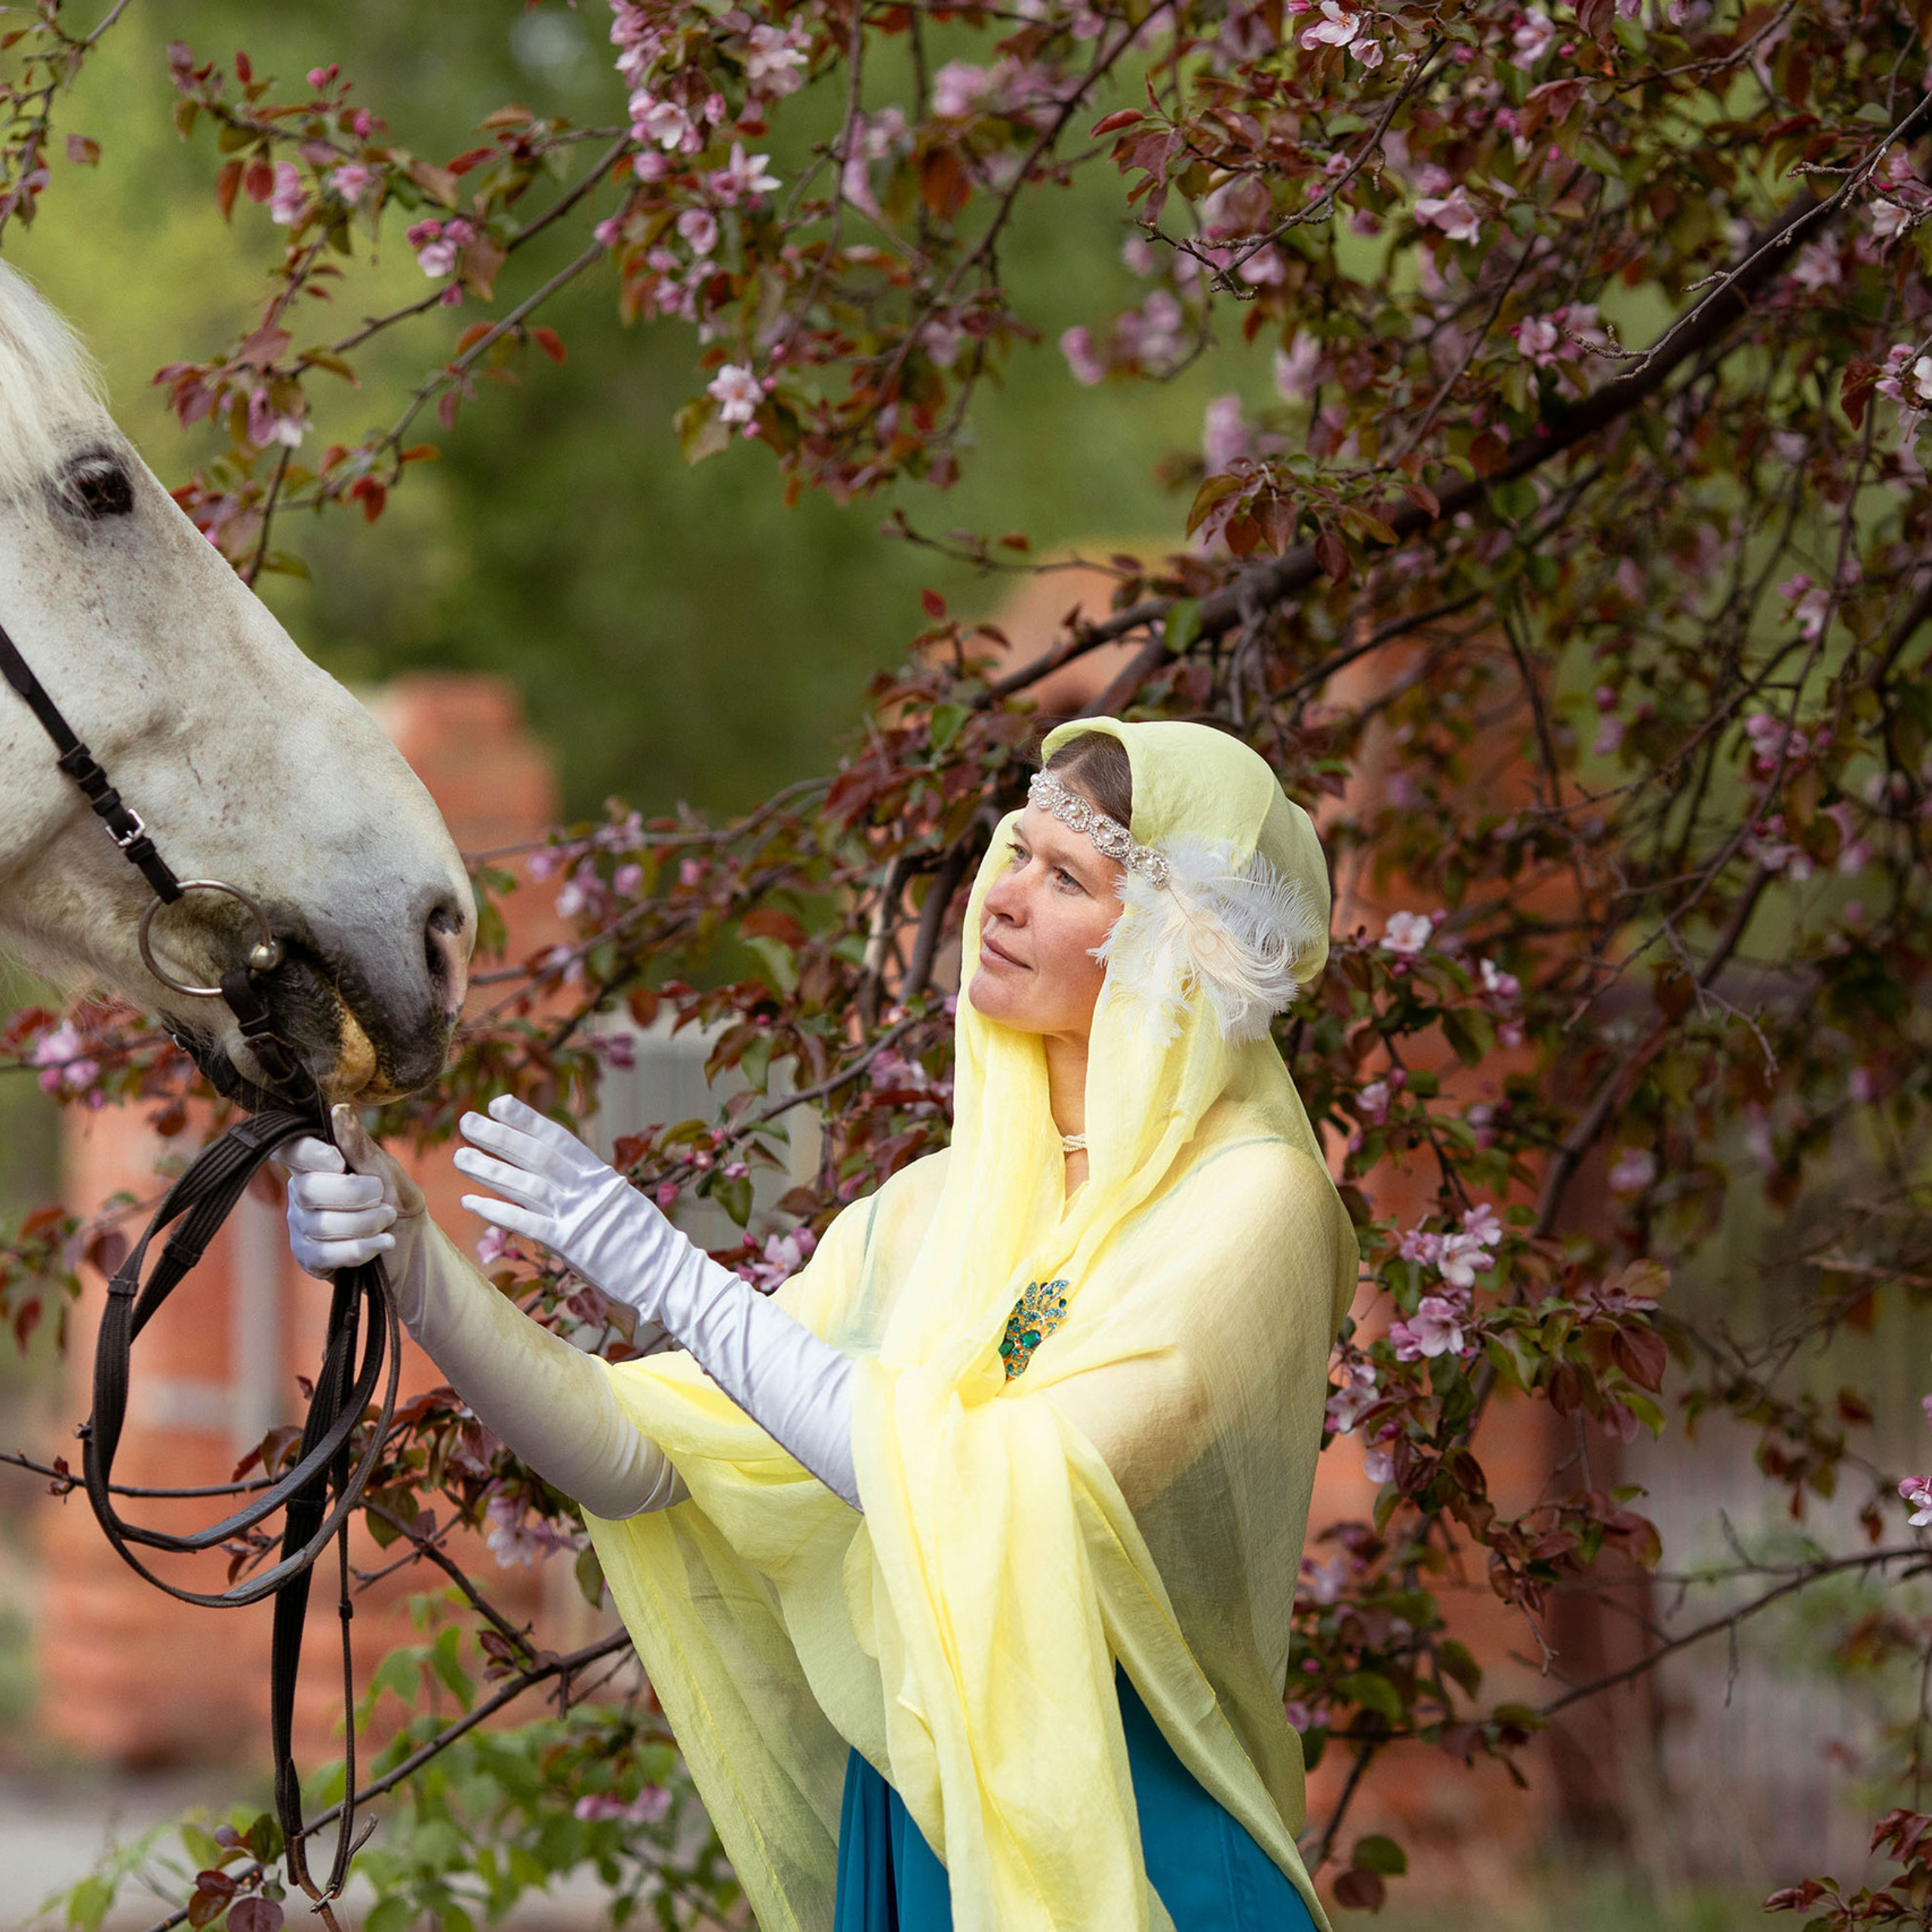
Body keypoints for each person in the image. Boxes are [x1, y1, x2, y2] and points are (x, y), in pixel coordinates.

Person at [282, 718, 1359, 1932]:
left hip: (1135, 1846)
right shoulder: (932, 1206)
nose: (1002, 899)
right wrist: (412, 1258)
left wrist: (675, 1280)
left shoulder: (1253, 1198)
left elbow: (1024, 1496)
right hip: (918, 1830)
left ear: (1181, 942)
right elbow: (641, 1461)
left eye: (1069, 878)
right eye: (1018, 852)